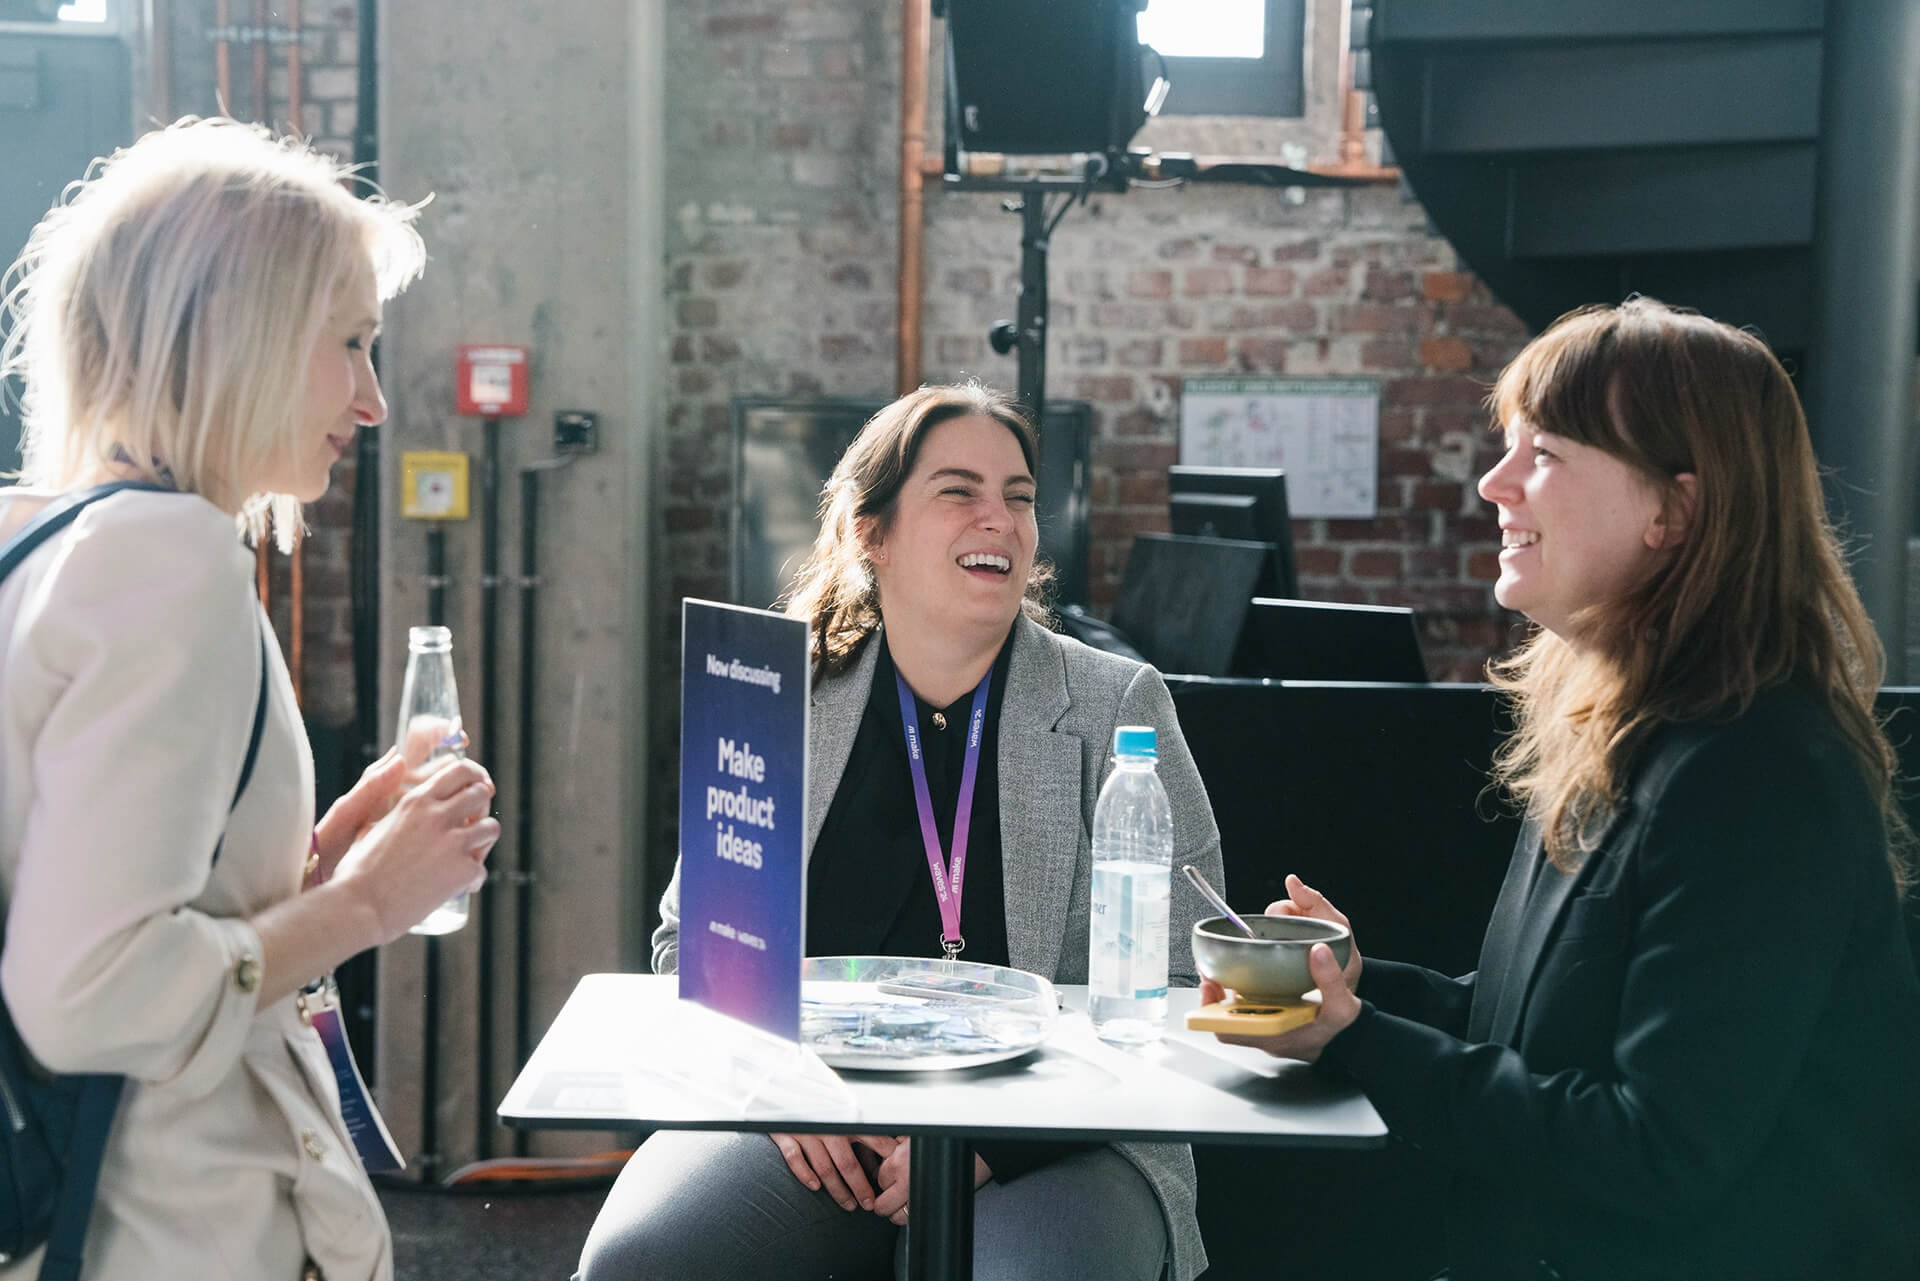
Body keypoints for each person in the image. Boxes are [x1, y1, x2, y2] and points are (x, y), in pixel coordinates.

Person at [1205, 297, 1920, 1280]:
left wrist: (1362, 1042)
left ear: (1676, 510)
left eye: (1544, 453)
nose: (1496, 483)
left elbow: (1653, 1147)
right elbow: (1546, 1030)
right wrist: (1352, 988)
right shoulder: (1630, 734)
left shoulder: (1758, 777)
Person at [0, 118, 500, 1280]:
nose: (373, 402)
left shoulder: (41, 539)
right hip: (166, 1228)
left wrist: (299, 871)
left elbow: (82, 886)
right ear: (243, 332)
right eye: (353, 344)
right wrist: (366, 905)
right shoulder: (172, 563)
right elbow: (85, 994)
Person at [578, 383, 1226, 1281]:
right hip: (813, 1114)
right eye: (959, 490)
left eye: (1020, 496)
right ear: (871, 532)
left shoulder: (1118, 703)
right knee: (638, 1258)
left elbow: (1187, 973)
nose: (998, 517)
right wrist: (780, 1096)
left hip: (1061, 1132)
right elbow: (688, 945)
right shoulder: (775, 690)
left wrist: (999, 1142)